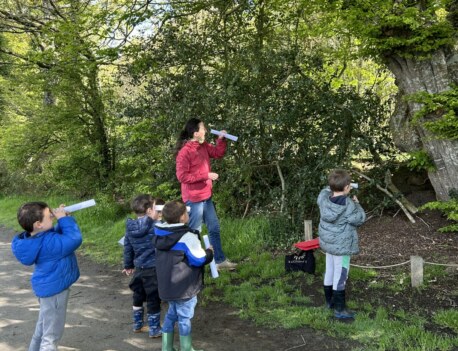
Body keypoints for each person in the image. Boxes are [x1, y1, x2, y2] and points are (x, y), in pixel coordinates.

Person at [11, 202, 83, 351]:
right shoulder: (49, 243)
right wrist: (64, 220)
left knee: (42, 329)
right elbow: (74, 239)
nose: (52, 216)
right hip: (55, 293)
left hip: (46, 290)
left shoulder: (35, 239)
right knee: (51, 337)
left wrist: (62, 220)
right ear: (38, 224)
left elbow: (53, 236)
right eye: (48, 215)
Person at [175, 118, 236, 270]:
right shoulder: (185, 152)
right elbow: (182, 177)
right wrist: (206, 175)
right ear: (196, 133)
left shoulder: (203, 146)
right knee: (194, 232)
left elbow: (218, 152)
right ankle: (190, 264)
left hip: (206, 196)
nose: (206, 131)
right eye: (203, 128)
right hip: (193, 198)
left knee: (214, 228)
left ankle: (219, 261)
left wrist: (220, 140)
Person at [154, 200, 214, 351]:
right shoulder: (187, 236)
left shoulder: (159, 233)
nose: (188, 215)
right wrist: (210, 253)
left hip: (167, 286)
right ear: (182, 217)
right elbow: (198, 259)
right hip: (183, 288)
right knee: (184, 318)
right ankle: (186, 348)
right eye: (186, 213)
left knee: (172, 314)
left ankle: (167, 347)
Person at [317, 169, 366, 319]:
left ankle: (329, 303)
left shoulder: (323, 199)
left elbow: (325, 191)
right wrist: (357, 204)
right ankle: (340, 310)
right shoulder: (349, 205)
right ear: (346, 188)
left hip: (329, 245)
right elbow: (359, 219)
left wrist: (335, 187)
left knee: (330, 271)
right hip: (342, 247)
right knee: (340, 275)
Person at [122, 195, 164, 338]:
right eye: (154, 207)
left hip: (139, 268)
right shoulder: (155, 226)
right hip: (153, 268)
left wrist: (128, 265)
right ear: (149, 210)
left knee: (138, 295)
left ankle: (137, 324)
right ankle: (154, 328)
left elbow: (127, 248)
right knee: (153, 297)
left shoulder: (130, 227)